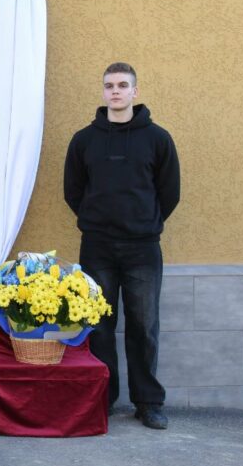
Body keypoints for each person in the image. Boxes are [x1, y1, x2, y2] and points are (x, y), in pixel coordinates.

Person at [64, 62, 180, 430]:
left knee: (144, 325)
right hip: (97, 246)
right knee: (98, 325)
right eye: (110, 85)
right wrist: (96, 220)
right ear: (103, 92)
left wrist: (146, 223)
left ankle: (148, 402)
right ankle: (103, 398)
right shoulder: (84, 140)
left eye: (122, 85)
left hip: (142, 248)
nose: (115, 91)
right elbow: (73, 191)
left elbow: (169, 192)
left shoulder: (158, 139)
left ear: (135, 91)